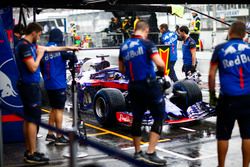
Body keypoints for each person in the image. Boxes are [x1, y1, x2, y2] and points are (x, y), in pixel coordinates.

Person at [15, 22, 79, 164]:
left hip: (36, 85)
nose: (39, 37)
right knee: (32, 120)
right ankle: (31, 153)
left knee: (31, 119)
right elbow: (32, 67)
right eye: (38, 34)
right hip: (29, 86)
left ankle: (30, 150)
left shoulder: (30, 45)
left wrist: (70, 48)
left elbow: (52, 48)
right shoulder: (24, 46)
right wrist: (39, 56)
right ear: (33, 33)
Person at [119, 20, 167, 166]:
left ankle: (137, 152)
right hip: (149, 85)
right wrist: (160, 74)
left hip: (133, 86)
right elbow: (161, 64)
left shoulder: (124, 46)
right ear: (145, 30)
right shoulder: (147, 44)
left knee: (137, 118)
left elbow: (121, 69)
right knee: (159, 116)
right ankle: (151, 153)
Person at [208, 21, 250, 167]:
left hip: (228, 99)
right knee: (247, 135)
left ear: (229, 32)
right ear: (244, 34)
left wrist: (212, 96)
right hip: (247, 97)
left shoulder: (220, 49)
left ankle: (221, 166)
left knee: (223, 136)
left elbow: (211, 75)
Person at [40, 28, 77, 145]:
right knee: (59, 110)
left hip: (48, 83)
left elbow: (41, 68)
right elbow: (73, 58)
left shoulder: (45, 48)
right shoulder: (61, 49)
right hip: (58, 83)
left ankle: (50, 134)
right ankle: (59, 136)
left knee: (54, 108)